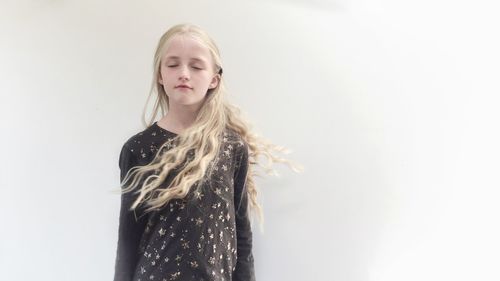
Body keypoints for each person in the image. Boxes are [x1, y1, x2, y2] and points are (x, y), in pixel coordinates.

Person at [113, 23, 302, 281]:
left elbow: (242, 236)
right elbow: (128, 239)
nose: (183, 73)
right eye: (172, 64)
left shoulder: (232, 148)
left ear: (214, 78)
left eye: (196, 66)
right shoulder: (139, 149)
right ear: (160, 75)